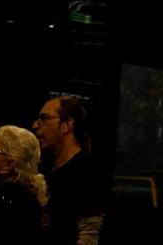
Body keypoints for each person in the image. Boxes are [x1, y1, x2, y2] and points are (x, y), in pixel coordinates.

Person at [33, 96, 107, 245]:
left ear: (66, 125)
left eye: (44, 118)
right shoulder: (44, 169)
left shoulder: (87, 173)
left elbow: (89, 233)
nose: (35, 125)